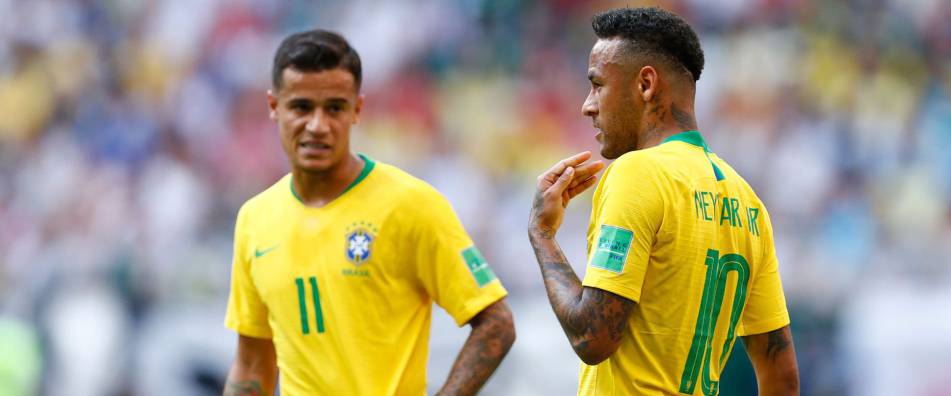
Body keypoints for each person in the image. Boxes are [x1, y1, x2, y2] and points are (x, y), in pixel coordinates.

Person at [223, 30, 515, 396]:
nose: (317, 125)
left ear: (357, 110)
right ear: (273, 106)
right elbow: (252, 364)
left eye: (334, 108)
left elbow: (496, 322)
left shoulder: (410, 204)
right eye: (301, 107)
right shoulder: (255, 219)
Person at [527, 7, 800, 396]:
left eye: (597, 84)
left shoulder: (638, 174)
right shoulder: (747, 201)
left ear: (646, 84)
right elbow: (782, 376)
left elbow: (593, 336)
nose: (587, 105)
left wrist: (542, 234)